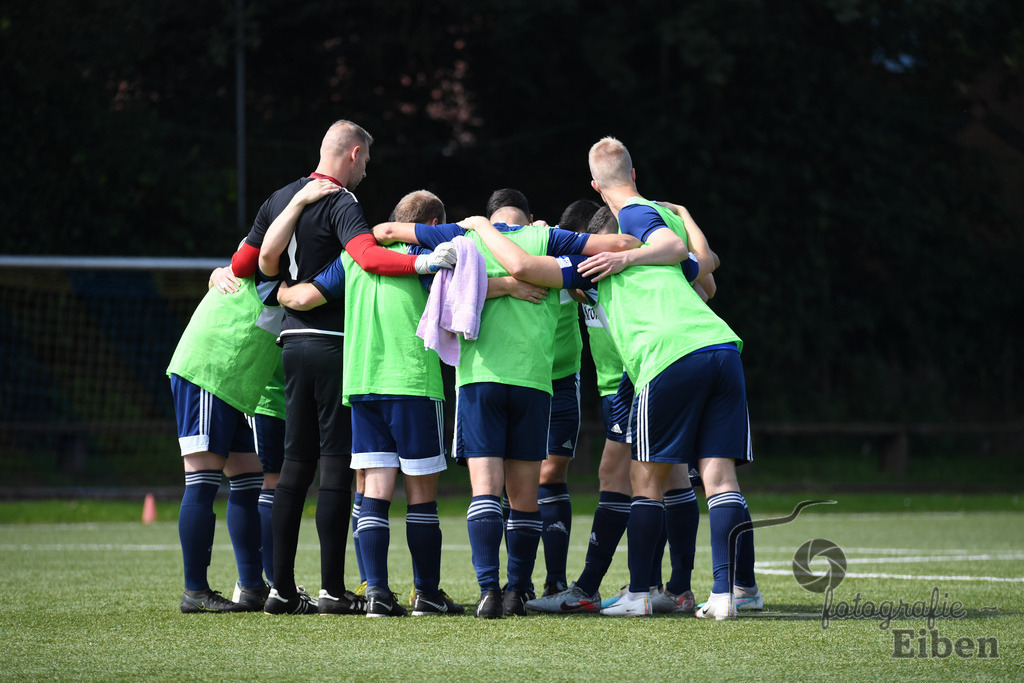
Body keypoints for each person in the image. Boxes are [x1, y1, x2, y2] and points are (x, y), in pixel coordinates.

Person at [372, 188, 636, 618]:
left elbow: (388, 234)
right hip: (534, 383)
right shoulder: (546, 241)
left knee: (485, 493)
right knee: (525, 497)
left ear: (491, 217)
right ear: (528, 218)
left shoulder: (462, 240)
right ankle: (517, 592)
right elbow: (612, 247)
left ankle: (488, 593)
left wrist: (473, 233)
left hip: (479, 381)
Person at [233, 120, 458, 616]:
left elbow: (245, 261)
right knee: (335, 466)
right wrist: (423, 264)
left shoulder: (280, 198)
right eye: (367, 163)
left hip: (291, 342)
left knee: (293, 467)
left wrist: (278, 295)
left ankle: (281, 589)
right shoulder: (341, 202)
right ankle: (334, 589)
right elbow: (367, 257)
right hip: (336, 345)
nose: (365, 172)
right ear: (354, 155)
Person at [460, 203, 712, 616]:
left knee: (627, 475)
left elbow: (705, 283)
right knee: (667, 475)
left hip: (643, 373)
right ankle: (665, 587)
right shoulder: (583, 278)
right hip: (619, 383)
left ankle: (615, 588)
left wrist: (682, 223)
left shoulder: (628, 267)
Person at [580, 136, 755, 619]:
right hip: (721, 347)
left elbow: (671, 243)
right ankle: (724, 596)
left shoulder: (631, 219)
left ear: (597, 187)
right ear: (633, 172)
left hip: (669, 356)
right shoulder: (669, 264)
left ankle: (639, 593)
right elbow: (707, 268)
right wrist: (686, 213)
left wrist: (623, 257)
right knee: (718, 479)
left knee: (646, 478)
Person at [165, 214, 322, 613]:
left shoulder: (284, 266)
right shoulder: (272, 257)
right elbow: (256, 257)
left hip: (234, 385)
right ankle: (195, 592)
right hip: (211, 368)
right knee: (201, 480)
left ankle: (253, 586)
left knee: (249, 480)